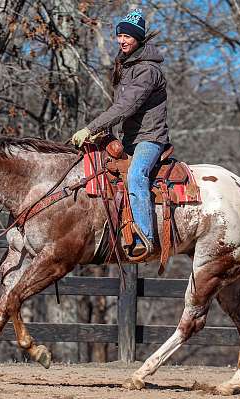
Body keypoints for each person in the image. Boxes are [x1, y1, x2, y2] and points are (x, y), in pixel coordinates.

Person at [71, 9, 169, 257]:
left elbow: (126, 107)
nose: (122, 40)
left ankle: (145, 238)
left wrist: (91, 128)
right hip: (130, 140)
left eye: (127, 36)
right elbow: (121, 107)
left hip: (150, 139)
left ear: (139, 38)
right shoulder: (126, 65)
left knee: (136, 176)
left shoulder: (147, 70)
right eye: (119, 36)